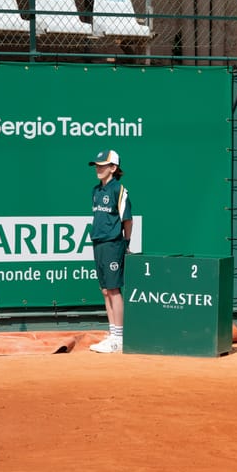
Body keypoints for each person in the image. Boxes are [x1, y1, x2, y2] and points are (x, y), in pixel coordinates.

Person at [88, 149, 133, 353]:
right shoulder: (96, 191)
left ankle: (119, 338)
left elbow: (127, 220)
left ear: (113, 168)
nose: (98, 169)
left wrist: (126, 242)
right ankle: (113, 333)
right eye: (96, 166)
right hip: (98, 242)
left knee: (114, 290)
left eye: (102, 166)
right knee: (105, 290)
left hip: (113, 244)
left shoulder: (119, 190)